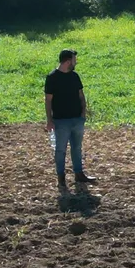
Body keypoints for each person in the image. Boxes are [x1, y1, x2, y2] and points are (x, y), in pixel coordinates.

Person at [43, 49, 92, 193]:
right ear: (68, 61)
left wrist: (83, 112)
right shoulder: (52, 77)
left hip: (77, 119)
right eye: (74, 60)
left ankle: (79, 174)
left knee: (77, 148)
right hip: (61, 120)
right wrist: (49, 120)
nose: (76, 62)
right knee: (60, 150)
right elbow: (48, 100)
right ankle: (61, 177)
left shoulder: (74, 76)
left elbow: (81, 95)